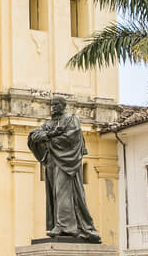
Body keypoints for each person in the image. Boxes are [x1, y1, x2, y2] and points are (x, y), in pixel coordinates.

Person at [27, 96, 100, 242]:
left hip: (67, 162)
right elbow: (34, 135)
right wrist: (47, 134)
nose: (53, 107)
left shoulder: (71, 120)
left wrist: (48, 138)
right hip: (52, 161)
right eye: (52, 104)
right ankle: (60, 224)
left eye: (56, 105)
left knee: (63, 192)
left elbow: (71, 138)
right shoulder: (49, 124)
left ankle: (65, 226)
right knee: (55, 194)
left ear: (63, 106)